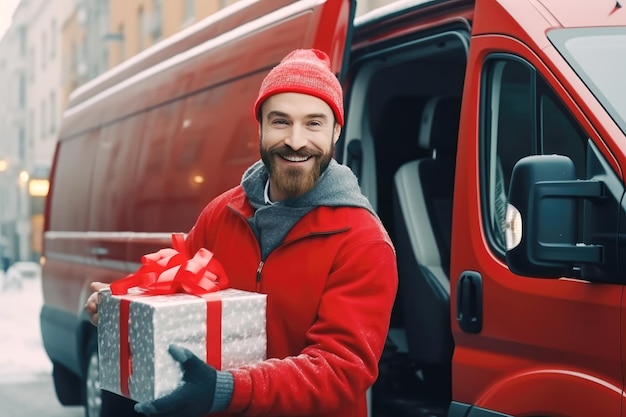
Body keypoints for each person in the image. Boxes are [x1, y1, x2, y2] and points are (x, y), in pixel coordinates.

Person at [86, 48, 398, 417]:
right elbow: (178, 281)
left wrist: (228, 389)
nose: (296, 141)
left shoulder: (363, 240)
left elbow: (340, 369)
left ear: (336, 132)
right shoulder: (222, 212)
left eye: (313, 123)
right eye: (280, 121)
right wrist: (128, 302)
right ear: (261, 127)